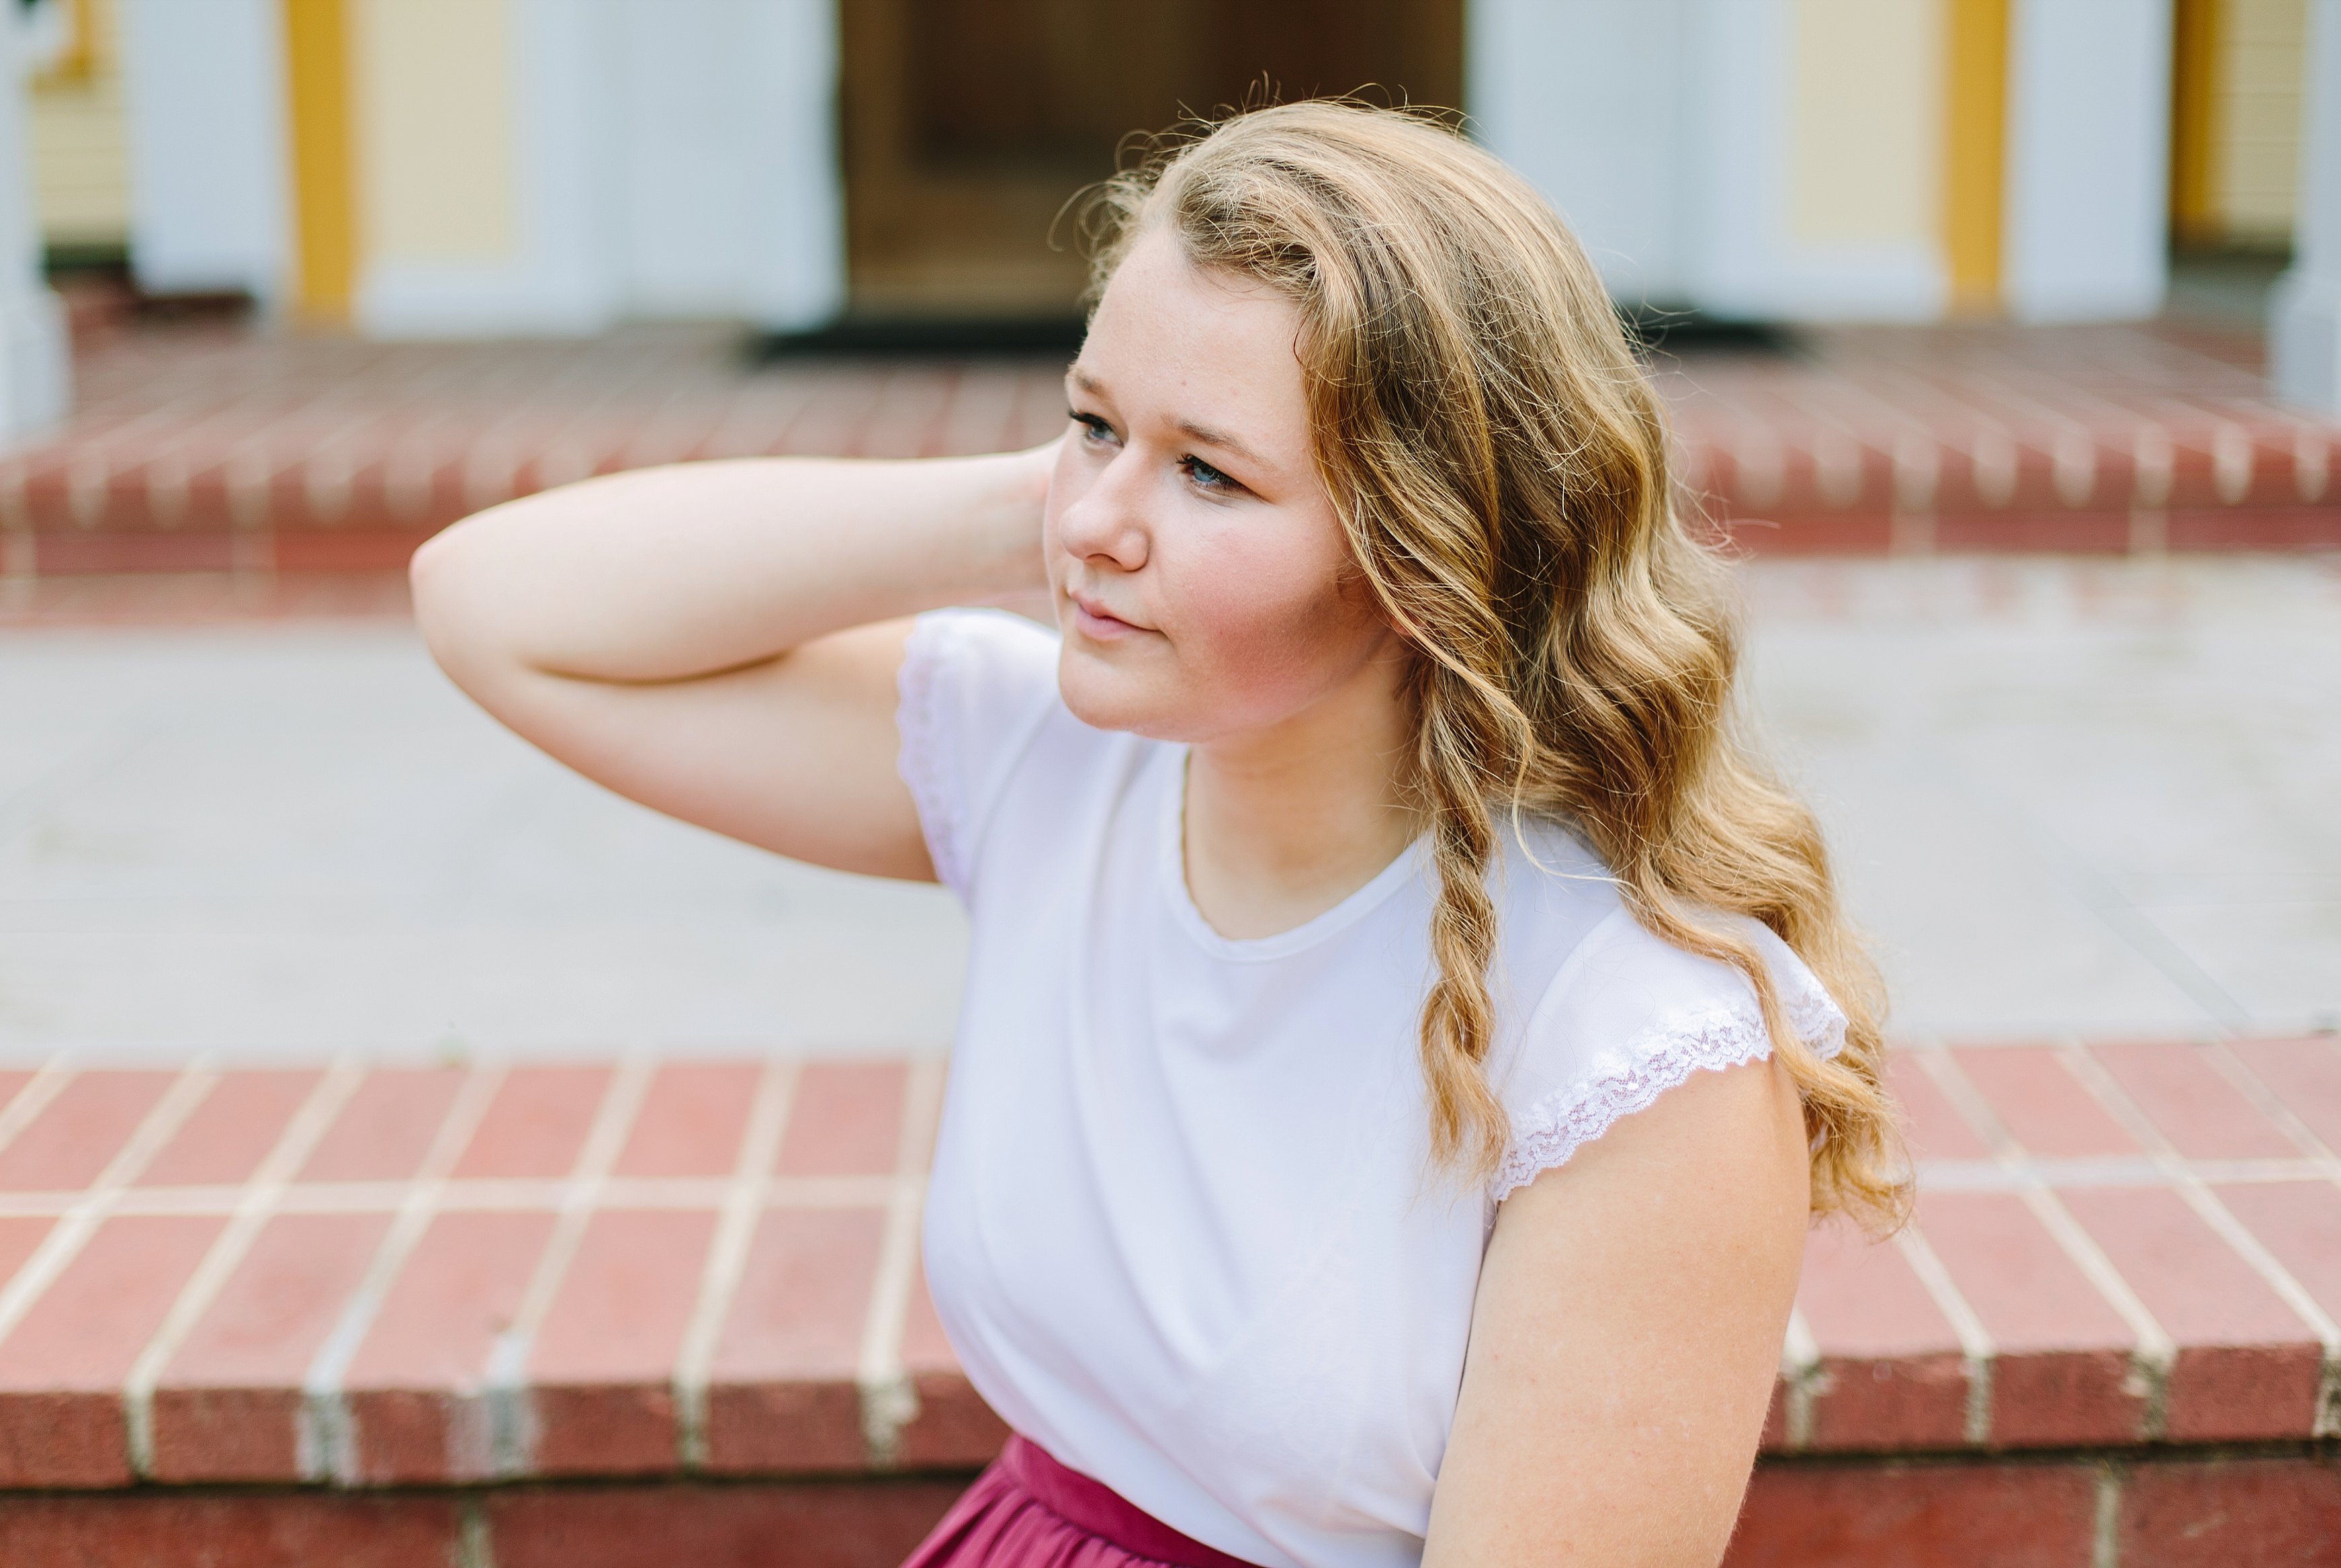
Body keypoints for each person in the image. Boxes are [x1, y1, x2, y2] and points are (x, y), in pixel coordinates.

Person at [411, 100, 1904, 1568]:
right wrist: (1079, 498)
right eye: (1087, 419)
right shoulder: (1048, 760)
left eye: (1213, 472)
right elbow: (495, 608)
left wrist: (1124, 474)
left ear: (1425, 554)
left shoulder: (1638, 1045)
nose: (1095, 523)